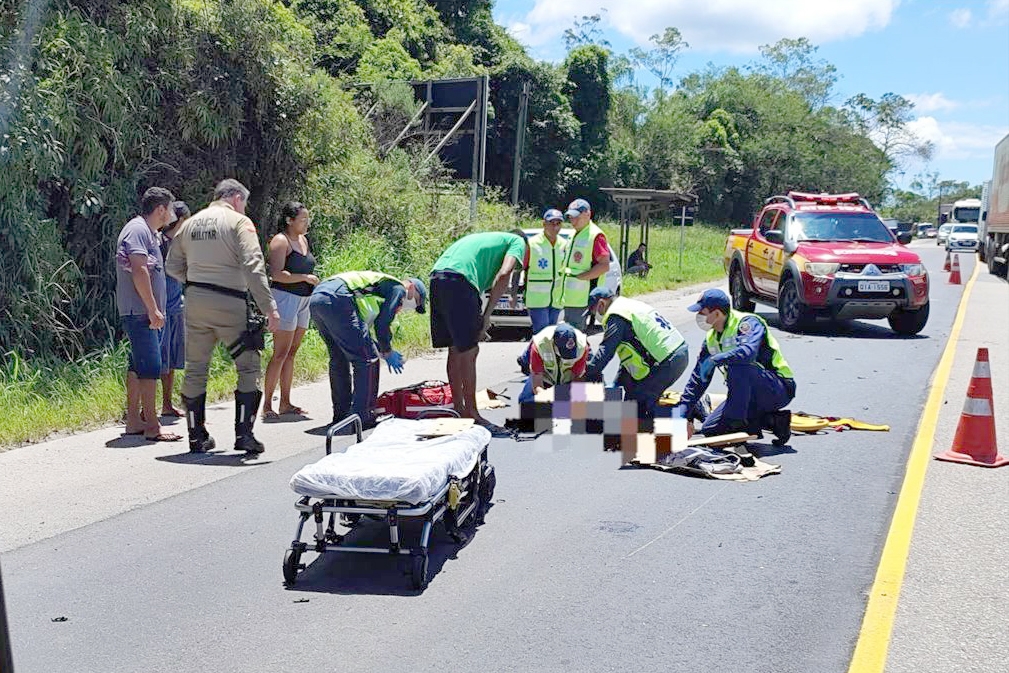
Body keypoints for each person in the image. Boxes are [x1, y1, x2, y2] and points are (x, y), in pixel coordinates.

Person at [166, 179, 280, 455]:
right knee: (248, 365)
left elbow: (171, 265)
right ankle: (244, 434)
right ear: (237, 198)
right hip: (230, 302)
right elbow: (253, 266)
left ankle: (196, 436)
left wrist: (194, 282)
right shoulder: (240, 223)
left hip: (195, 302)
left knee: (196, 368)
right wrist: (269, 307)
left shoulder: (190, 224)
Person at [430, 230, 529, 428]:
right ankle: (472, 414)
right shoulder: (517, 241)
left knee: (456, 348)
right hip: (460, 279)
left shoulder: (490, 241)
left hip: (437, 276)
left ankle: (458, 409)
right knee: (470, 350)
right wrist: (487, 315)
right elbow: (504, 274)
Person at [309, 272, 426, 429]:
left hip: (319, 297)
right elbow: (382, 324)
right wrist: (387, 350)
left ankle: (342, 416)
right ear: (411, 288)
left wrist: (382, 349)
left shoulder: (376, 291)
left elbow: (360, 337)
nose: (408, 307)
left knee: (339, 358)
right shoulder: (398, 289)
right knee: (367, 361)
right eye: (415, 302)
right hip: (338, 297)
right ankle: (363, 417)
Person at [678, 289, 795, 446]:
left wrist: (717, 359)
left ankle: (738, 423)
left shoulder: (748, 323)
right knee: (710, 430)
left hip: (777, 388)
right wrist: (681, 416)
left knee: (738, 366)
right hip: (746, 396)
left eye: (702, 312)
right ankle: (774, 421)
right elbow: (697, 380)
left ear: (717, 314)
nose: (699, 316)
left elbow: (748, 353)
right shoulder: (711, 339)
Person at [116, 187, 182, 442]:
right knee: (150, 368)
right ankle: (153, 426)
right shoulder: (138, 229)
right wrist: (153, 308)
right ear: (161, 209)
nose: (173, 213)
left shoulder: (150, 233)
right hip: (141, 312)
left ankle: (134, 421)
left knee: (138, 365)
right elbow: (139, 269)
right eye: (171, 208)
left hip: (145, 311)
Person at [583, 287, 689, 421]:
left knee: (642, 407)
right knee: (630, 402)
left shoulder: (616, 316)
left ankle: (687, 411)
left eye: (593, 312)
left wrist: (583, 373)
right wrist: (617, 382)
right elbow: (630, 352)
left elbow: (605, 353)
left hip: (668, 359)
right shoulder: (626, 306)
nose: (595, 317)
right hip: (673, 352)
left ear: (602, 304)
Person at [262, 201, 319, 420]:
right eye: (303, 219)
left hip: (304, 300)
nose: (306, 223)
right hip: (285, 298)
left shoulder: (303, 240)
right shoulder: (280, 241)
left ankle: (285, 402)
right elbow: (276, 274)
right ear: (289, 220)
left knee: (292, 353)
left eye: (307, 219)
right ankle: (267, 404)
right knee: (279, 353)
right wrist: (304, 278)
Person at [158, 200, 190, 418]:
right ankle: (146, 407)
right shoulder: (158, 243)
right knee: (157, 360)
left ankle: (167, 404)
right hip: (161, 308)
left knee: (171, 361)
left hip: (176, 305)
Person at [560, 198, 610, 331]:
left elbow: (604, 265)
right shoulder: (574, 234)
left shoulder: (595, 235)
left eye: (576, 217)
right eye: (570, 217)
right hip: (568, 297)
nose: (573, 221)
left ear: (588, 214)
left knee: (574, 338)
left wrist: (583, 276)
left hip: (582, 297)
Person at [517, 323, 590, 403]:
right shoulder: (540, 345)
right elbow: (537, 381)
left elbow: (577, 378)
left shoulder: (582, 347)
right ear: (553, 343)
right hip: (545, 378)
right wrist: (545, 398)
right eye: (563, 352)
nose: (565, 357)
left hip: (567, 380)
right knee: (524, 401)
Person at [526, 209, 568, 334]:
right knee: (542, 333)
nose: (555, 227)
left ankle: (543, 354)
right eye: (552, 223)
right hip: (537, 299)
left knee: (551, 333)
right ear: (544, 224)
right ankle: (532, 354)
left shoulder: (564, 244)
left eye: (558, 223)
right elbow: (521, 268)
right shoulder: (532, 243)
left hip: (556, 299)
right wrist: (513, 293)